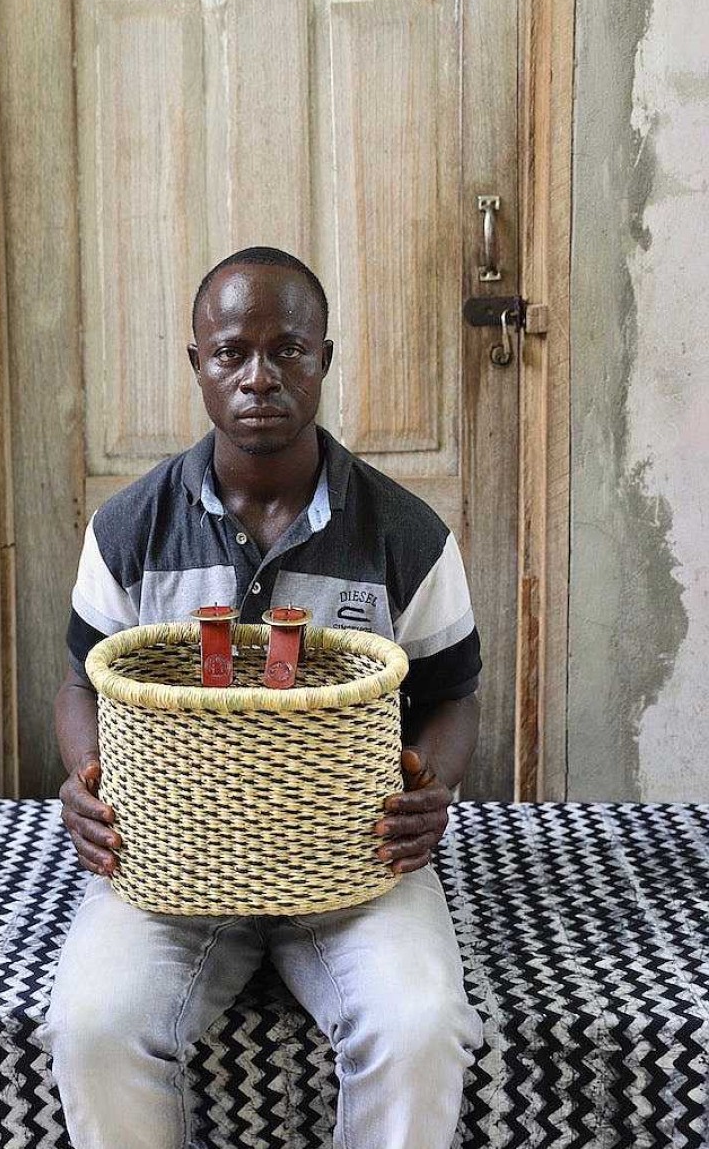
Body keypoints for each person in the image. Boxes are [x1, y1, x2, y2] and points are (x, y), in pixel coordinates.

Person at [38, 246, 484, 1149]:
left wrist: (427, 784)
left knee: (419, 1027)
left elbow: (452, 692)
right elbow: (77, 684)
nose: (258, 377)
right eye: (231, 351)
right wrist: (84, 778)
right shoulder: (128, 528)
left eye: (288, 350)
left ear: (325, 359)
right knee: (90, 1024)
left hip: (351, 862)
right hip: (172, 866)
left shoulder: (404, 532)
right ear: (195, 364)